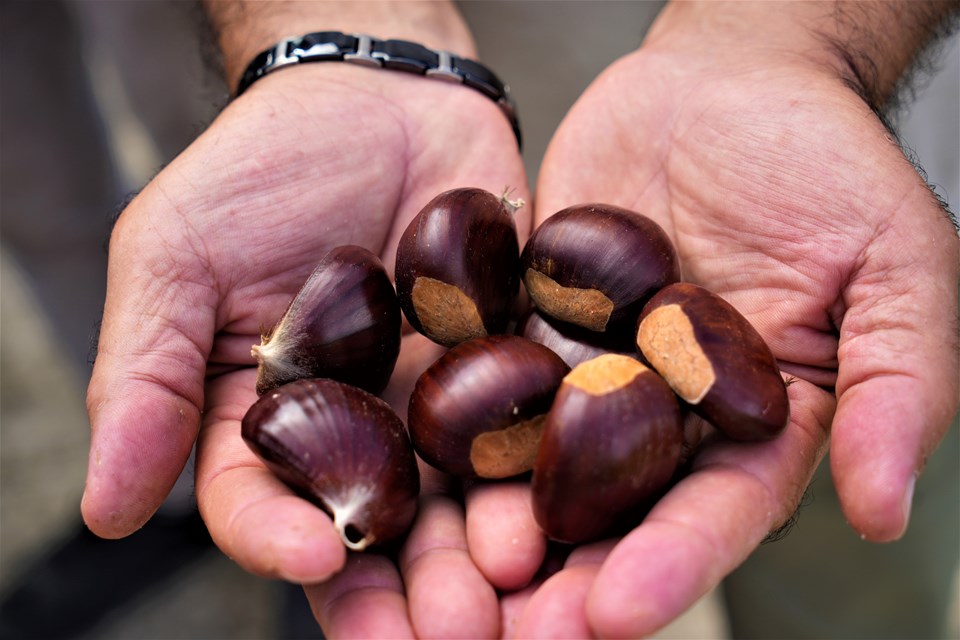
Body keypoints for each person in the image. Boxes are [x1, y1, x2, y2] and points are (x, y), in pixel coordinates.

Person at [81, 1, 959, 637]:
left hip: (786, 173)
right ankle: (330, 538)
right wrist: (338, 32)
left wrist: (787, 41)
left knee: (849, 537)